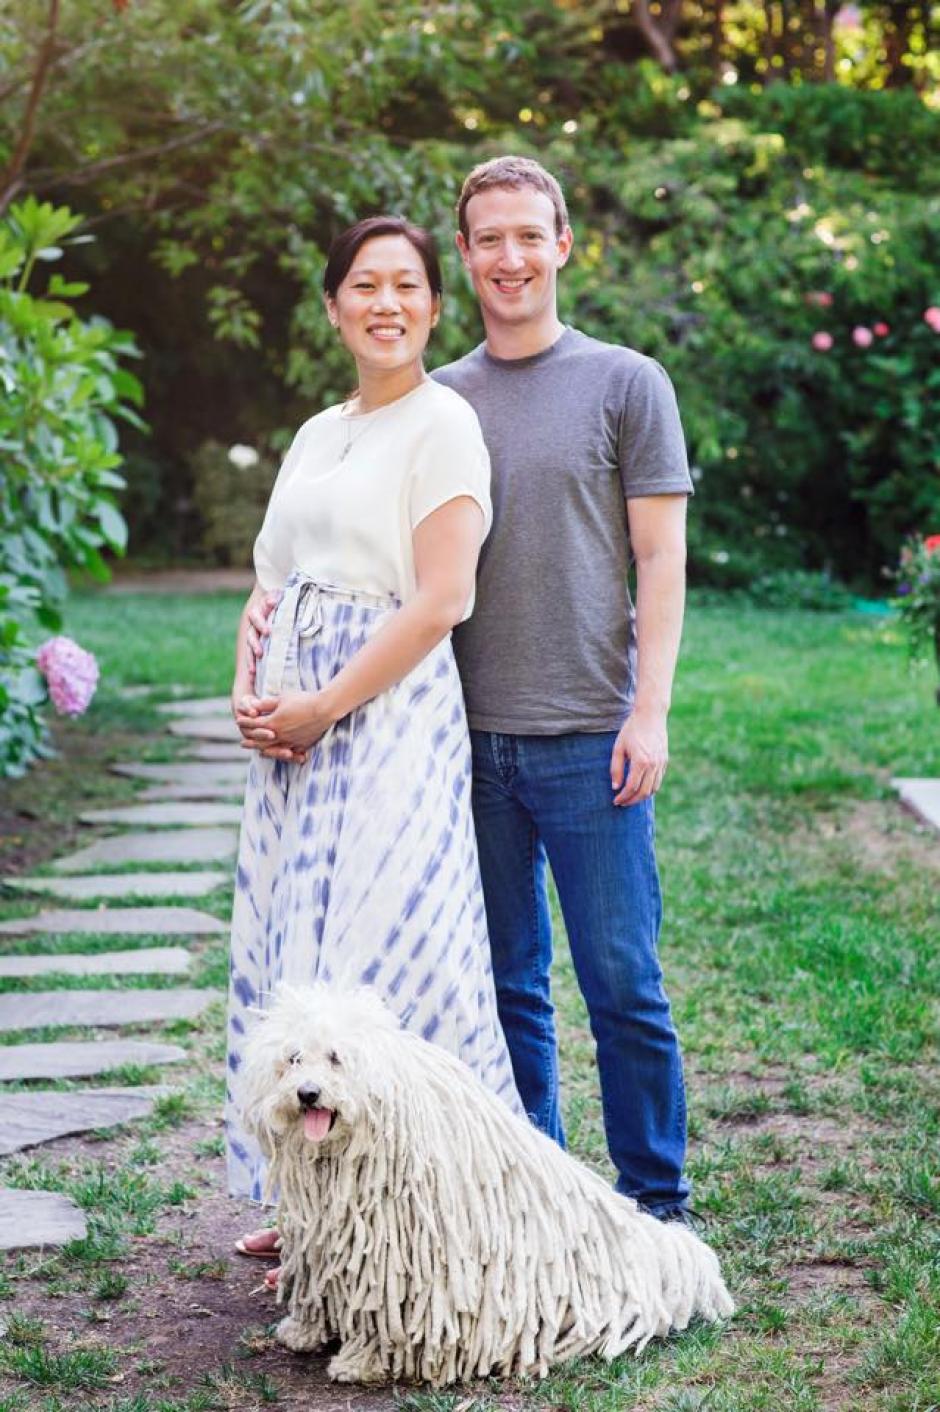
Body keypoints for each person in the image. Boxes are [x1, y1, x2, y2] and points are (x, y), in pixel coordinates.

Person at [248, 157, 694, 1222]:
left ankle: (656, 1197)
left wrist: (650, 708)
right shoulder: (433, 398)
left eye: (527, 236)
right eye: (487, 238)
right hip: (457, 740)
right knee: (502, 992)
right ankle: (529, 1189)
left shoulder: (626, 383)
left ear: (563, 244)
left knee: (623, 982)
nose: (509, 256)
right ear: (465, 255)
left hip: (590, 732)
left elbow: (661, 558)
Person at [226, 215, 523, 1286]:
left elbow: (445, 596)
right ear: (335, 304)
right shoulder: (316, 431)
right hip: (292, 727)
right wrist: (249, 687)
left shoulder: (443, 424)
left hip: (384, 717)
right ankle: (312, 1211)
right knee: (296, 953)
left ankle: (435, 1211)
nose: (385, 301)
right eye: (364, 284)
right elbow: (270, 580)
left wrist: (326, 705)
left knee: (391, 946)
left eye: (406, 284)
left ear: (435, 307)